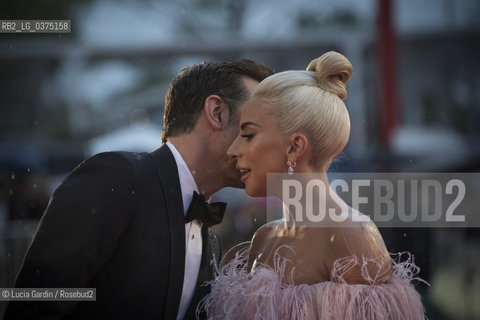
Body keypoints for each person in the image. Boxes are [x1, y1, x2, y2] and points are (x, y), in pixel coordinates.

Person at [4, 60, 273, 320]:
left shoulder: (210, 240)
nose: (267, 145)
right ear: (217, 112)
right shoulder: (117, 177)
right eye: (253, 127)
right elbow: (35, 305)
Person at [202, 52, 426, 319]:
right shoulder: (264, 238)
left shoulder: (351, 235)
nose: (233, 149)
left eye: (248, 135)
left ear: (295, 146)